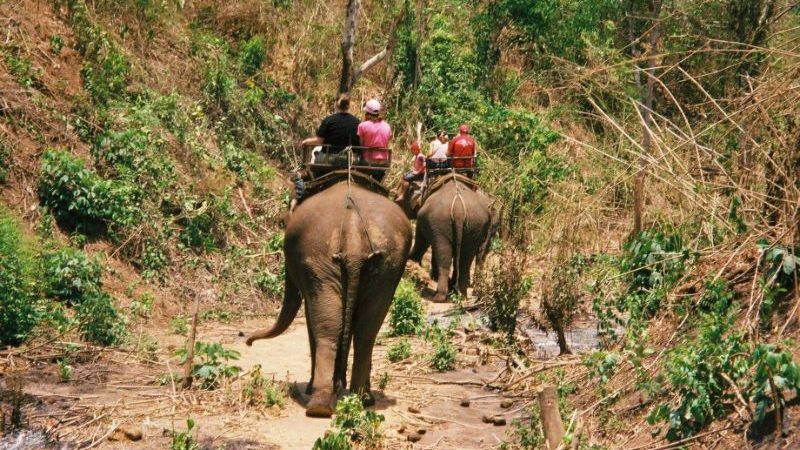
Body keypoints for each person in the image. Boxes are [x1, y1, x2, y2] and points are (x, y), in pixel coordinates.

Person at [301, 93, 360, 164]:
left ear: (336, 104)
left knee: (315, 151)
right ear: (349, 105)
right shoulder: (357, 122)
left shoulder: (329, 120)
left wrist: (306, 141)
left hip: (330, 158)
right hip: (351, 159)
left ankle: (315, 174)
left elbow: (319, 141)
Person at [357, 98, 392, 181]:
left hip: (368, 162)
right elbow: (388, 141)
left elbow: (361, 145)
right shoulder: (387, 126)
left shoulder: (362, 126)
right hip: (383, 163)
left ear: (367, 113)